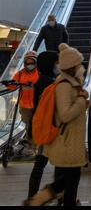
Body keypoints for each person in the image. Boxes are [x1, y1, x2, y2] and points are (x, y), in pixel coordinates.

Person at [26, 43, 89, 206]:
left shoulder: (71, 84)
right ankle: (37, 200)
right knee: (69, 181)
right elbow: (65, 115)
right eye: (78, 64)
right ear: (72, 66)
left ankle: (41, 199)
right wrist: (82, 100)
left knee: (69, 181)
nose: (81, 67)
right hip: (66, 141)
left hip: (71, 141)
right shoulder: (64, 86)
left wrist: (82, 100)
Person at [26, 51, 59, 200]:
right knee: (56, 166)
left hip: (41, 127)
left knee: (40, 165)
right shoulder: (50, 83)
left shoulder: (39, 80)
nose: (58, 65)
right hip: (49, 129)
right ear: (49, 64)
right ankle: (44, 198)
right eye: (56, 62)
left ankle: (32, 197)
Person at [4, 50, 39, 155]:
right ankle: (32, 146)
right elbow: (14, 85)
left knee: (36, 126)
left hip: (37, 104)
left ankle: (36, 146)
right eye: (27, 63)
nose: (30, 65)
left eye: (32, 62)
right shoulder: (20, 74)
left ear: (36, 62)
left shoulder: (39, 73)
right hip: (25, 105)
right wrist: (8, 83)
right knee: (29, 126)